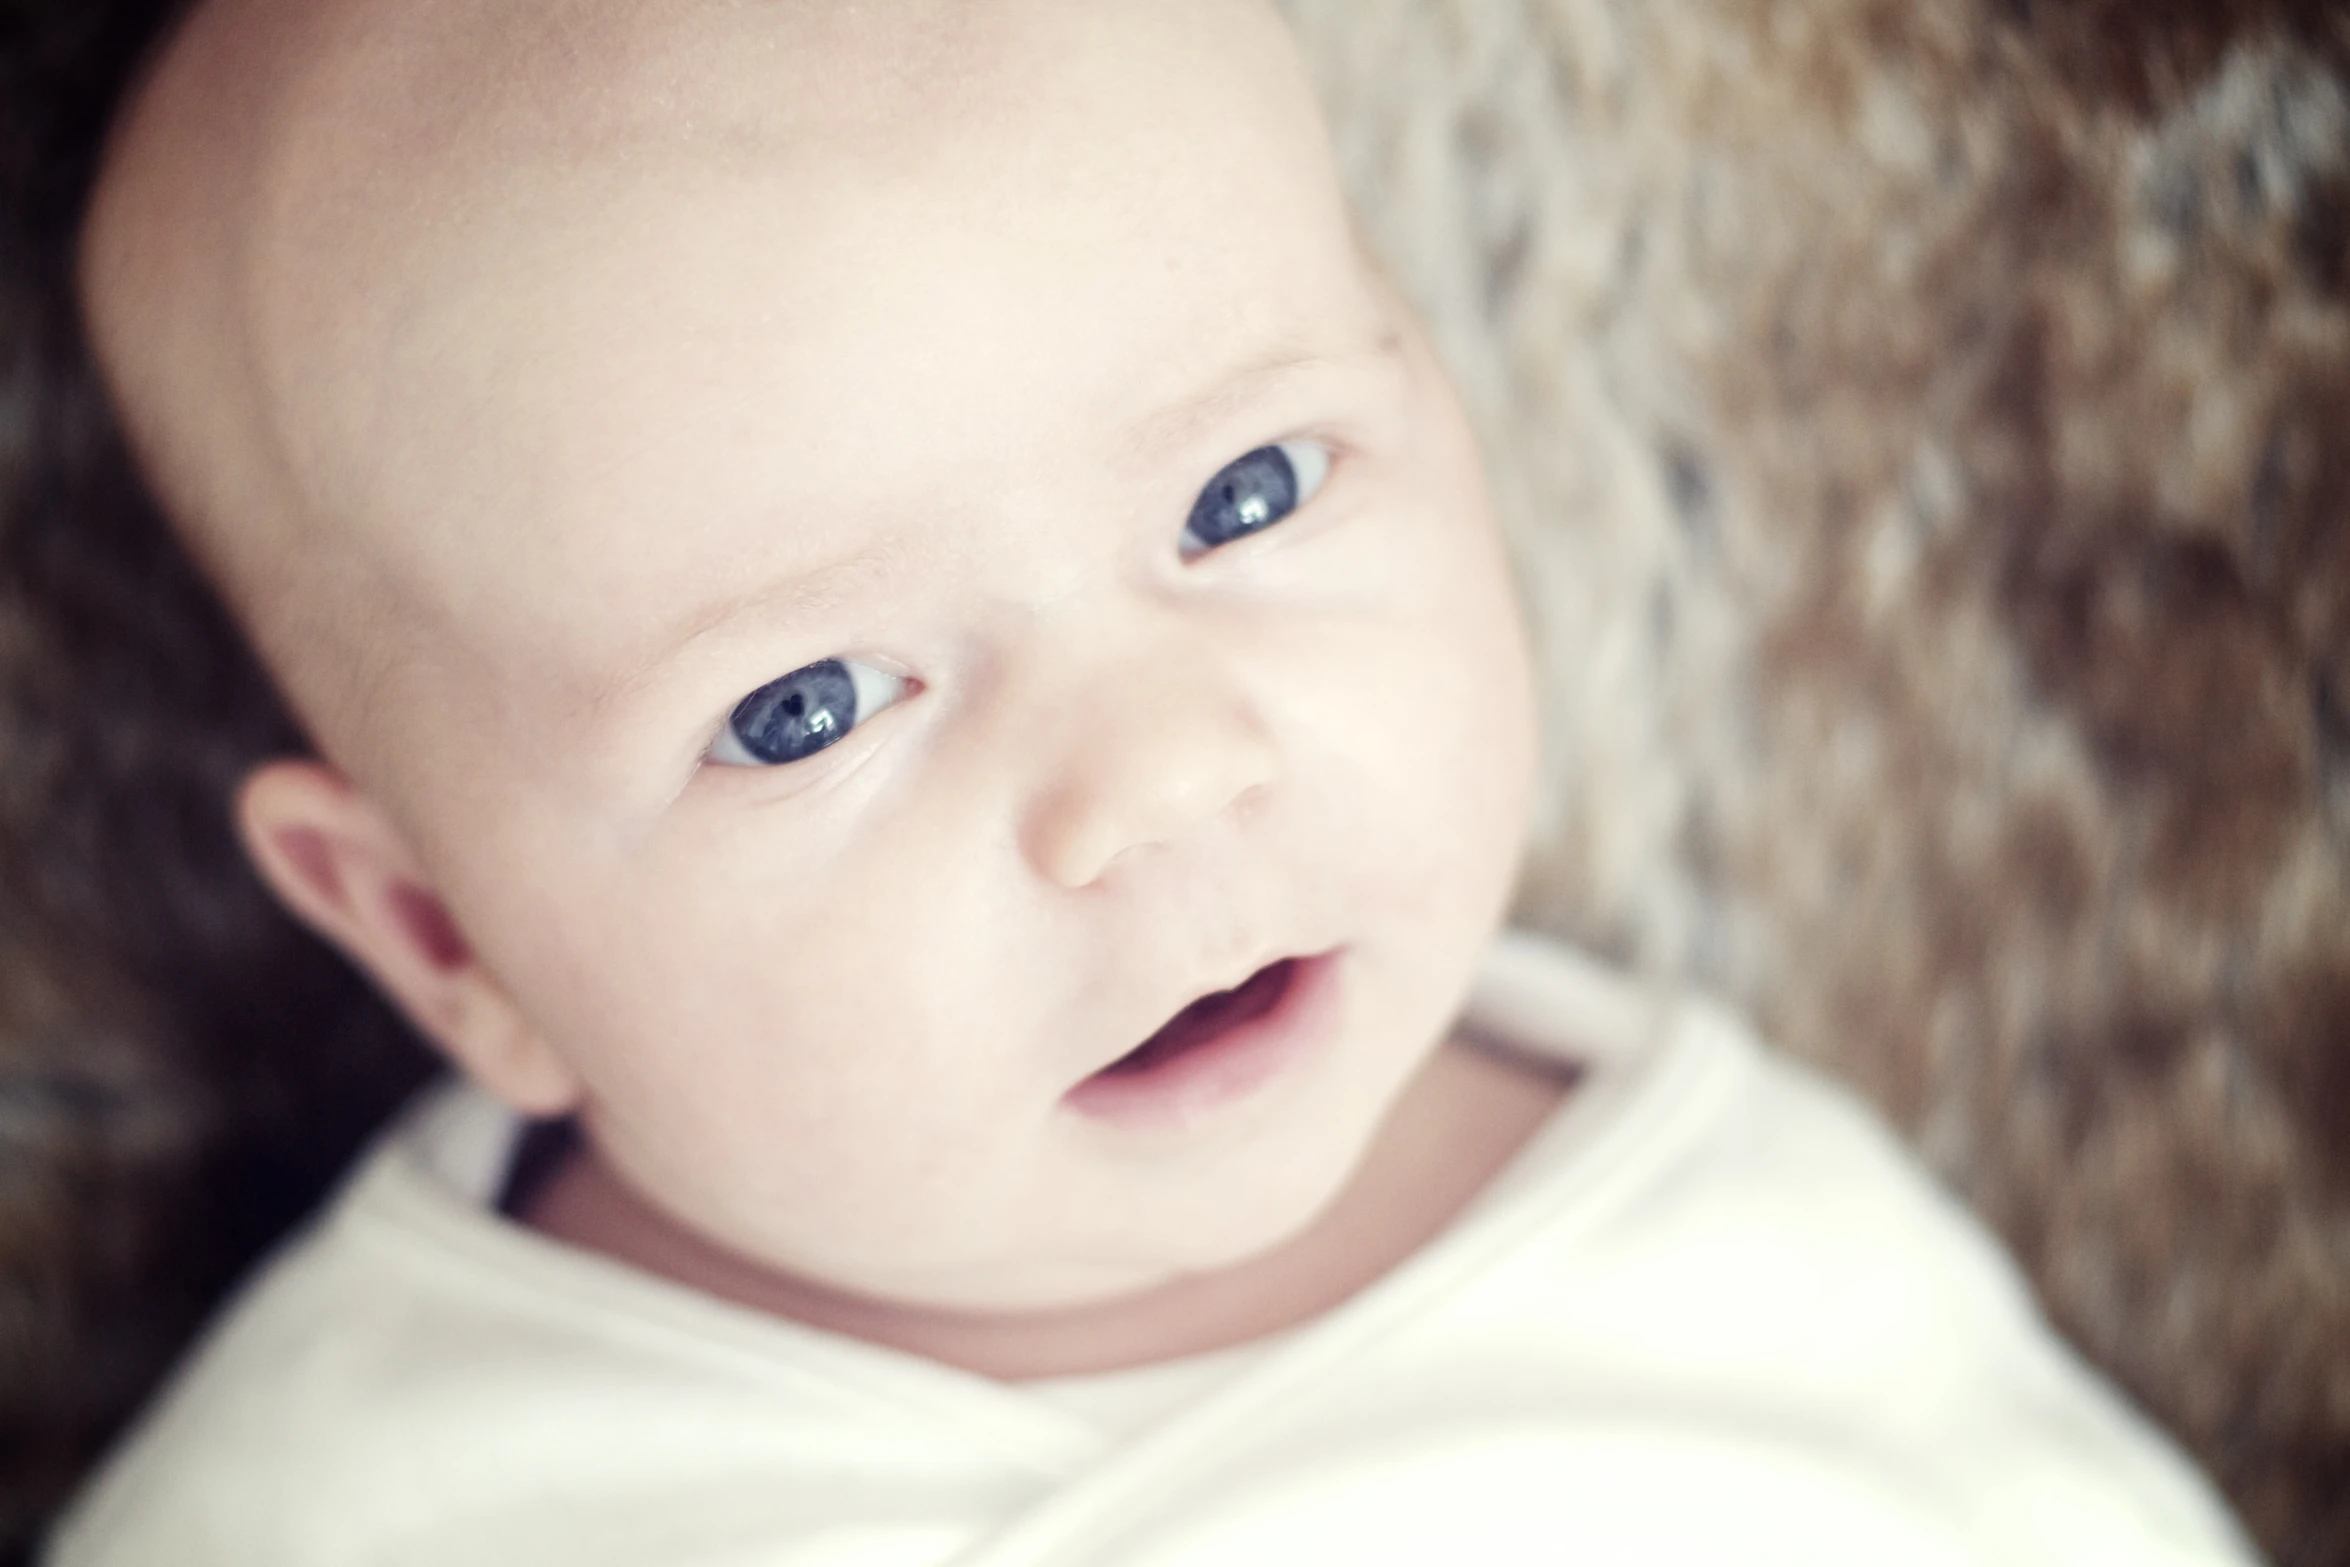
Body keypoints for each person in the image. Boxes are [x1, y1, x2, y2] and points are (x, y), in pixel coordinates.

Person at [42, 0, 2259, 1561]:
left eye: (1249, 491)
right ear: (444, 935)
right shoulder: (359, 1504)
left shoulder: (1768, 1267)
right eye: (809, 704)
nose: (1156, 773)